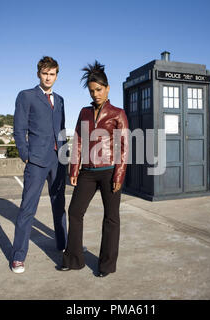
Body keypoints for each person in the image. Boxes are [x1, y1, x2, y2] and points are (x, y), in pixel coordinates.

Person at [59, 61, 129, 277]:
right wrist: (73, 170)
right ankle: (74, 259)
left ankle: (106, 266)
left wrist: (119, 174)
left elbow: (124, 146)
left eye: (99, 89)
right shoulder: (85, 112)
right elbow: (78, 141)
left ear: (107, 88)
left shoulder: (118, 113)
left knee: (111, 218)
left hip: (110, 172)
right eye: (92, 91)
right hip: (87, 173)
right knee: (75, 212)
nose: (96, 94)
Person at [11, 56, 67, 274]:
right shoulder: (26, 96)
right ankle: (18, 257)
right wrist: (25, 155)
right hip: (36, 160)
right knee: (27, 208)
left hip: (57, 160)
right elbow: (19, 129)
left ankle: (62, 246)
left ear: (56, 75)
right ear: (38, 74)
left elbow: (61, 130)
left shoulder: (61, 99)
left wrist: (65, 155)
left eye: (52, 74)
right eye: (45, 73)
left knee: (59, 205)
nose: (48, 77)